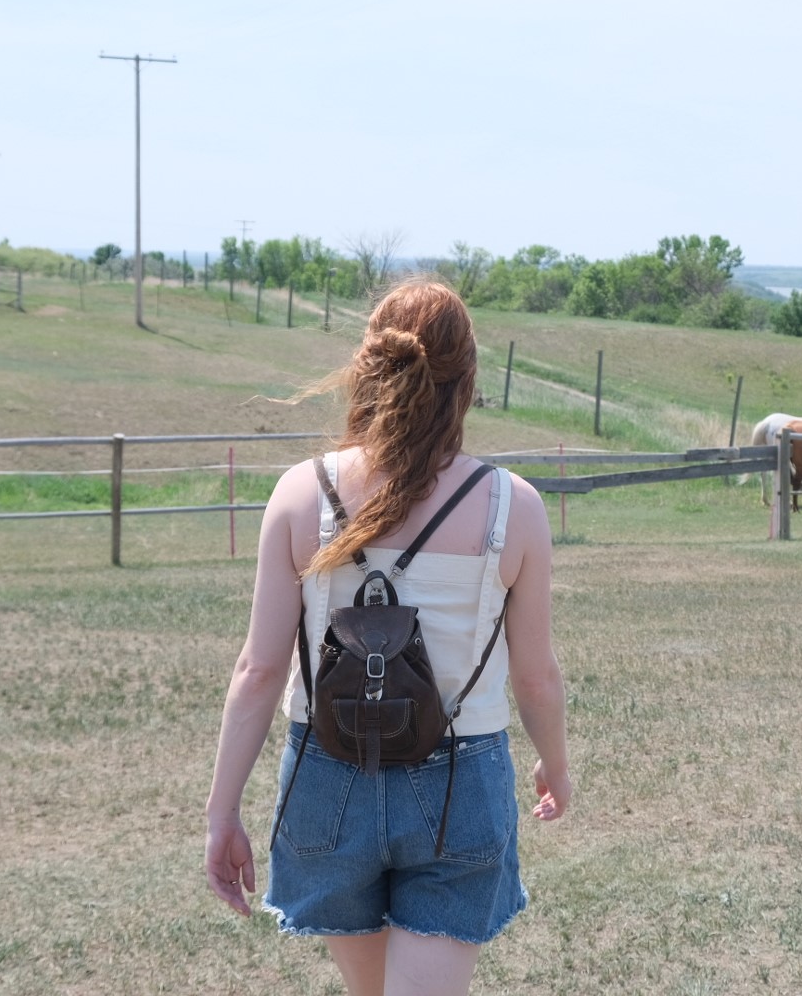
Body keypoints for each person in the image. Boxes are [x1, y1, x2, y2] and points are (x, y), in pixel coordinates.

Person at [205, 278, 573, 996]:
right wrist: (556, 765)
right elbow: (537, 677)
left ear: (367, 366)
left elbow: (258, 670)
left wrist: (222, 811)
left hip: (324, 775)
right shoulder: (512, 506)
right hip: (462, 780)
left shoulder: (299, 492)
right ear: (467, 382)